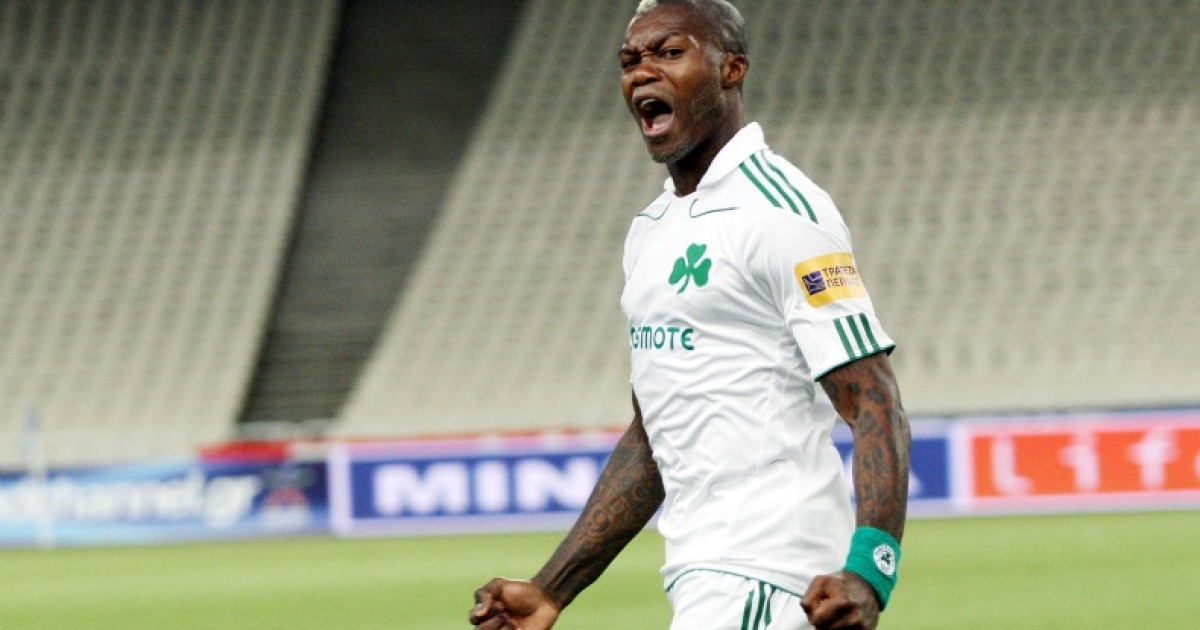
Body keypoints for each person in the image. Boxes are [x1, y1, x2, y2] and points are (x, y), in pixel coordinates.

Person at [470, 1, 910, 629]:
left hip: (769, 569)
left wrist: (870, 570)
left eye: (670, 52)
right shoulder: (652, 229)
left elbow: (873, 399)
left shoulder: (780, 211)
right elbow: (654, 435)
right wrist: (550, 590)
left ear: (732, 68)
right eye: (630, 60)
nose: (642, 72)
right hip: (707, 574)